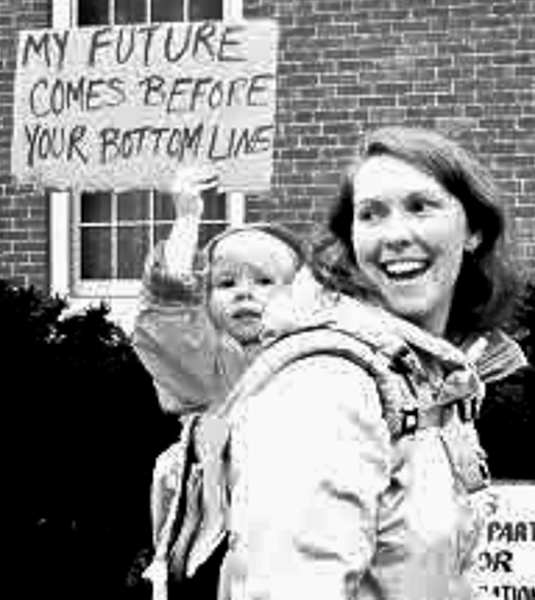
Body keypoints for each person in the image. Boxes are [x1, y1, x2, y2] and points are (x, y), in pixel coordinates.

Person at [215, 126, 527, 600]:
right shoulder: (326, 385)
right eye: (371, 215)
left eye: (421, 207)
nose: (396, 234)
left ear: (475, 231)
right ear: (351, 242)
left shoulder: (429, 375)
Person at [132, 167, 309, 419]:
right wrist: (187, 218)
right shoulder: (211, 363)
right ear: (205, 299)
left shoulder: (312, 351)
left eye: (264, 281)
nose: (244, 293)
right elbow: (170, 310)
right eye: (227, 284)